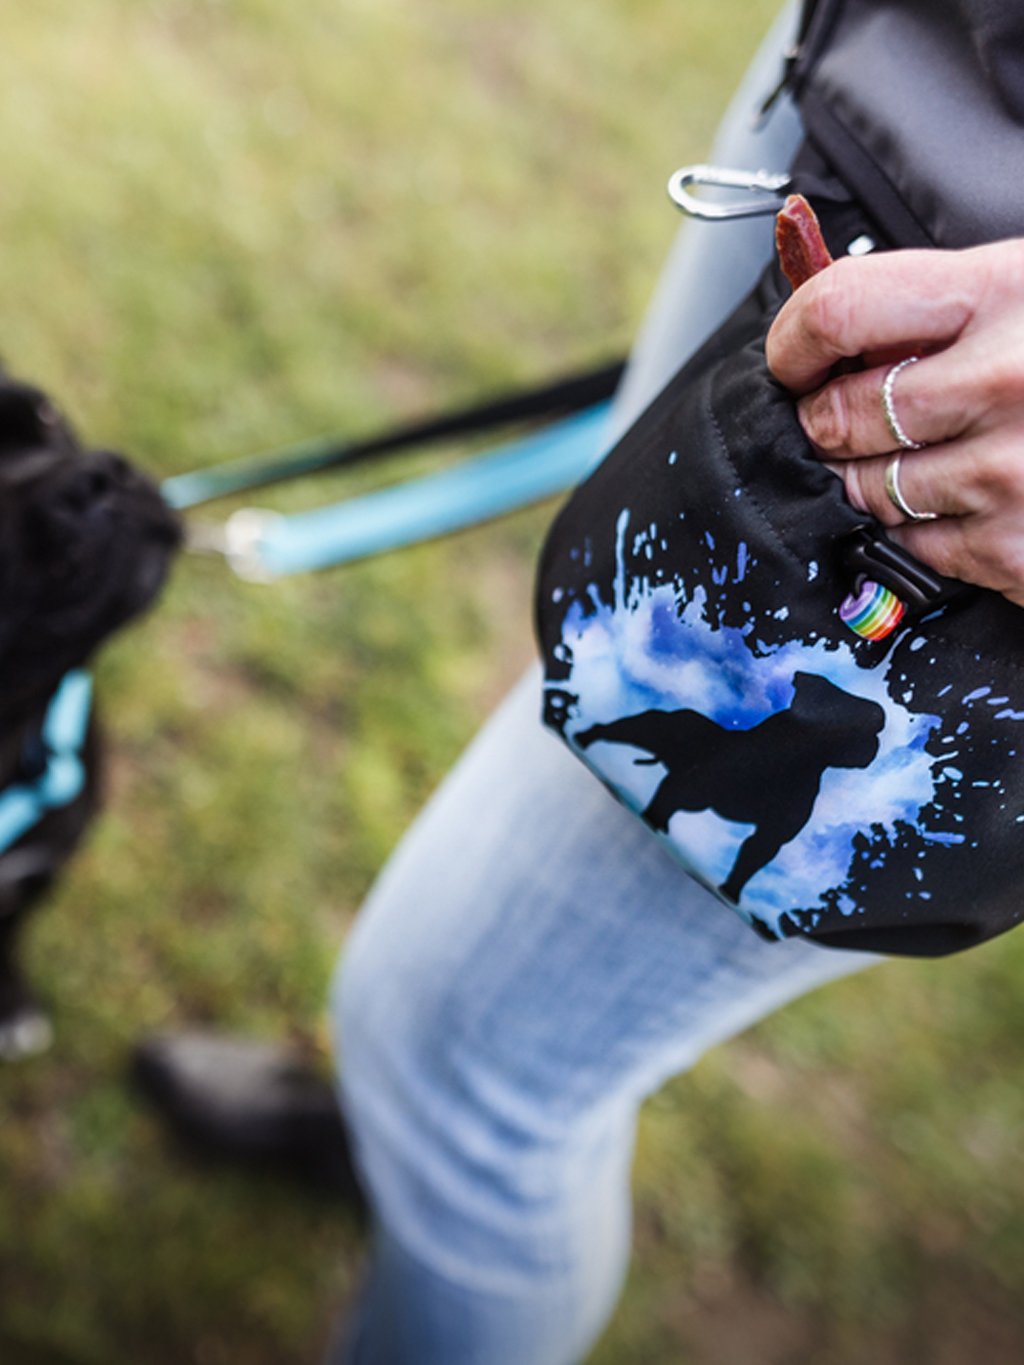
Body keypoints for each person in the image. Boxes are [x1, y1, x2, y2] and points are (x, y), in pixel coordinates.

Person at [137, 2, 1024, 1360]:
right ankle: (405, 1126)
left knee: (474, 1062)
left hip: (971, 383)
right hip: (871, 84)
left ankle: (437, 1122)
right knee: (602, 670)